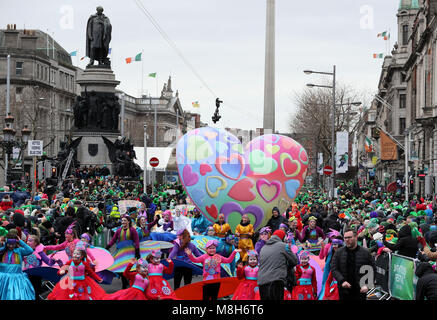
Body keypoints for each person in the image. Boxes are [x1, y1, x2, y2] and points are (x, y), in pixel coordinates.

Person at [330, 228, 376, 301]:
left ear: (356, 237)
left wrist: (367, 285)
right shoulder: (339, 252)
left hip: (360, 290)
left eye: (349, 237)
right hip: (344, 290)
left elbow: (372, 269)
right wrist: (342, 281)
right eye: (345, 238)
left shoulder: (365, 252)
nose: (347, 240)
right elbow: (334, 268)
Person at [257, 229, 298, 300]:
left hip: (262, 282)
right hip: (276, 280)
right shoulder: (284, 246)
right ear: (282, 238)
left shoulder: (264, 248)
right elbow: (294, 261)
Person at [105, 215, 140, 289]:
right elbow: (113, 240)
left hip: (130, 252)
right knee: (120, 268)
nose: (123, 222)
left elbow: (136, 241)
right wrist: (107, 247)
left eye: (124, 220)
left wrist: (137, 252)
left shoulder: (132, 230)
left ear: (128, 222)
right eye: (122, 220)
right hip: (121, 252)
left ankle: (129, 283)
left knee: (129, 268)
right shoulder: (118, 230)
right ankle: (125, 282)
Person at [0, 230, 35, 300]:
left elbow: (30, 250)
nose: (11, 246)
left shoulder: (19, 251)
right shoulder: (2, 251)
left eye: (13, 244)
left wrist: (20, 241)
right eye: (9, 244)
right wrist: (3, 244)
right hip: (2, 278)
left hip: (16, 279)